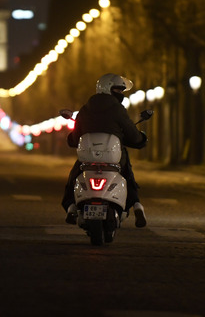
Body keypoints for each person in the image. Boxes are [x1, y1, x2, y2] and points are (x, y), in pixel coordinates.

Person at [62, 73, 147, 228]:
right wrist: (140, 139)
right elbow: (130, 132)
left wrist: (73, 139)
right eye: (118, 90)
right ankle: (136, 204)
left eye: (122, 91)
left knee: (75, 174)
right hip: (113, 156)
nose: (120, 94)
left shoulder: (85, 108)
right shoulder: (118, 109)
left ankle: (71, 205)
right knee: (127, 173)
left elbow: (75, 136)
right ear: (108, 89)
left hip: (88, 158)